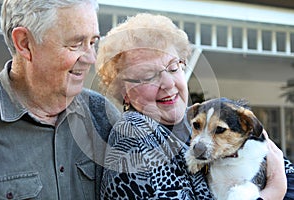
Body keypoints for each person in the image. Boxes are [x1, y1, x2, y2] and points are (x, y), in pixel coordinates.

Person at [97, 13, 294, 199]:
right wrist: (273, 192)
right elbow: (281, 180)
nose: (168, 83)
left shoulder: (194, 121)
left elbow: (288, 173)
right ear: (124, 91)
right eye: (148, 76)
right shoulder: (134, 134)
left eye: (174, 67)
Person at [0, 0, 120, 199]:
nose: (90, 59)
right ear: (25, 43)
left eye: (93, 43)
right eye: (76, 44)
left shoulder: (103, 116)